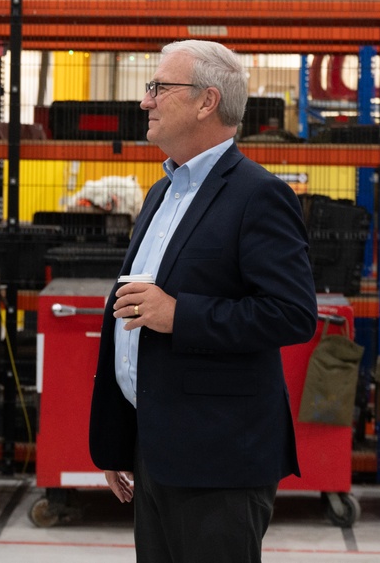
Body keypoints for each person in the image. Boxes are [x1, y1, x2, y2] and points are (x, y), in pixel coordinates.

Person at [87, 39, 318, 562]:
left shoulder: (258, 195)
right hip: (154, 451)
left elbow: (292, 313)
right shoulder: (161, 192)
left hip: (219, 461)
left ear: (206, 101)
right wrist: (120, 439)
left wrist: (179, 313)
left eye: (159, 87)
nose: (145, 101)